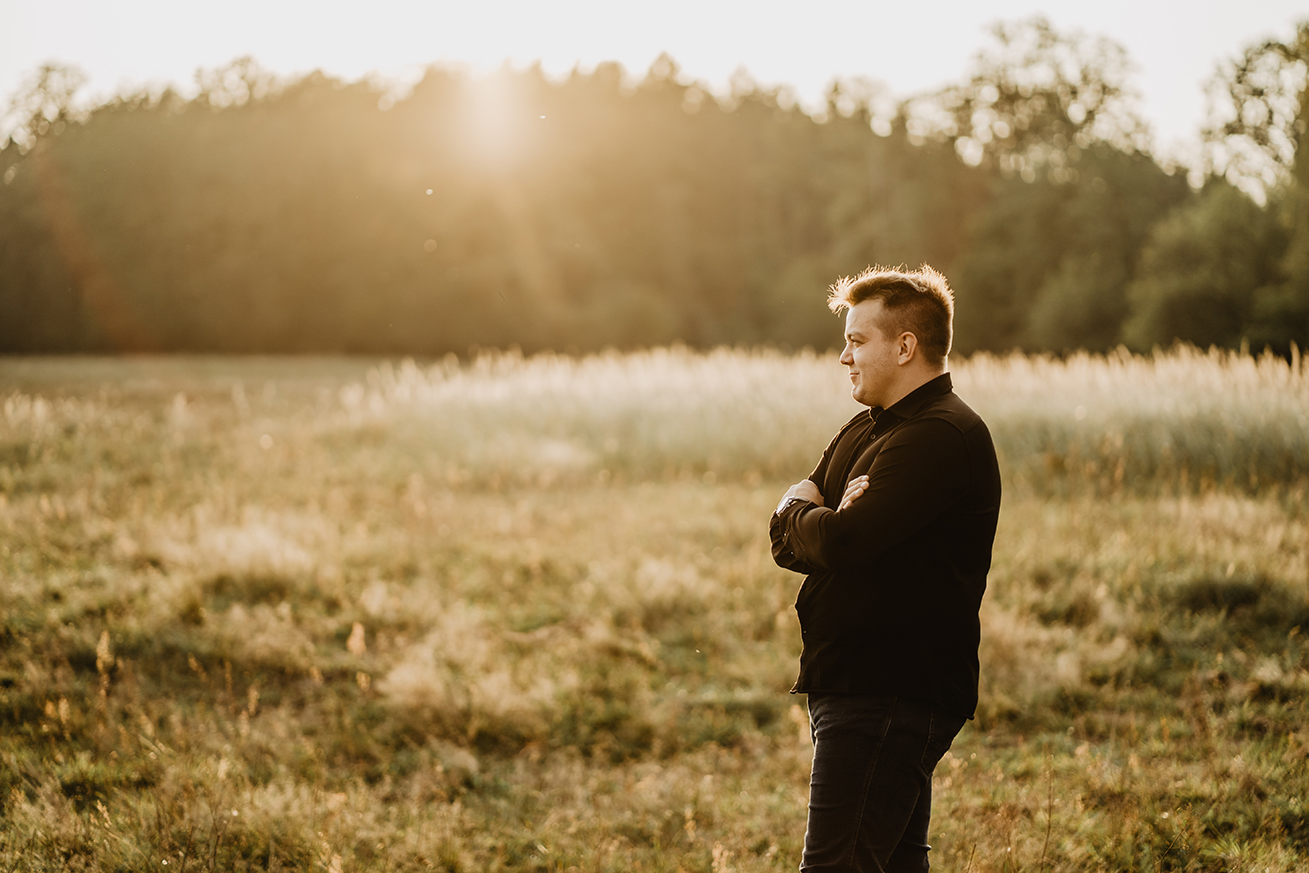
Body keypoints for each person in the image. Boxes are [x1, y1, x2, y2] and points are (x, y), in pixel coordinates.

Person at [769, 264, 1001, 872]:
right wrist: (809, 515)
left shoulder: (941, 435)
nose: (844, 357)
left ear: (905, 347)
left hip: (889, 689)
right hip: (859, 683)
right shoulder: (865, 429)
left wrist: (805, 513)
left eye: (856, 340)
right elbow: (787, 541)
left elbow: (841, 543)